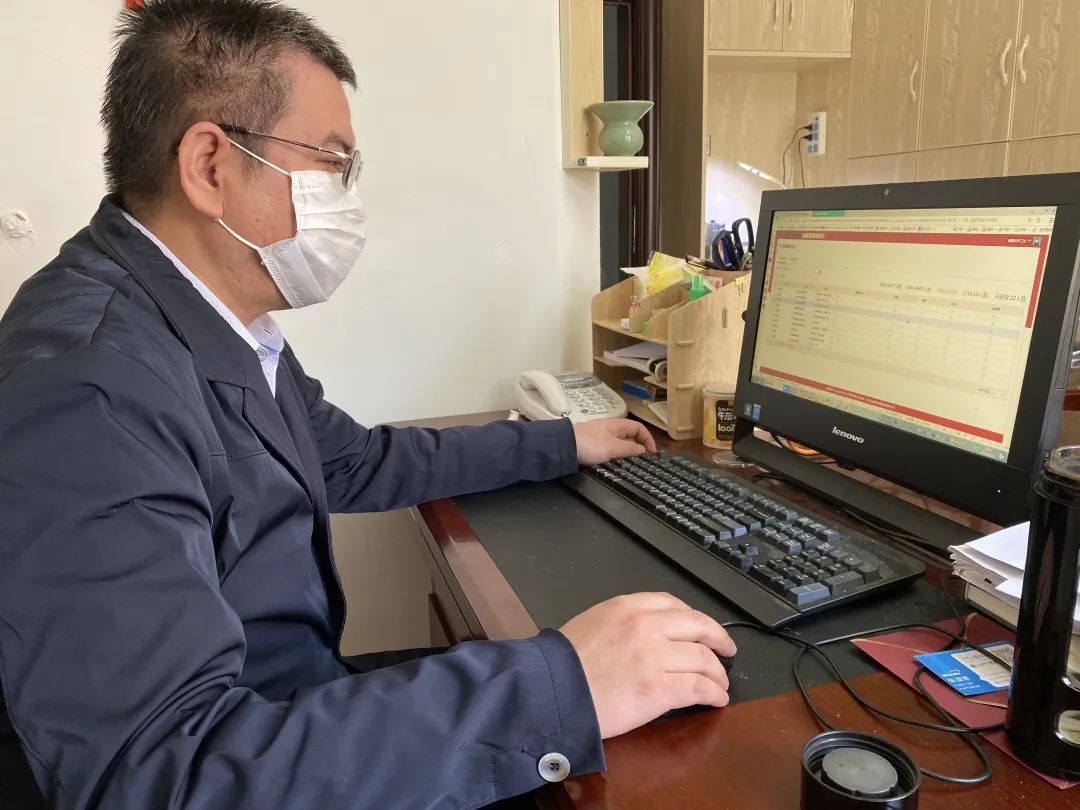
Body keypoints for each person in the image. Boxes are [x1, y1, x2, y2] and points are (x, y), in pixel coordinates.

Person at [0, 1, 737, 807]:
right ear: (210, 164)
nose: (346, 197)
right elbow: (157, 777)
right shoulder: (89, 389)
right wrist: (559, 686)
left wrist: (560, 443)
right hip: (244, 751)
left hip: (281, 710)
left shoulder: (207, 322)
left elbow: (352, 460)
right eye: (332, 161)